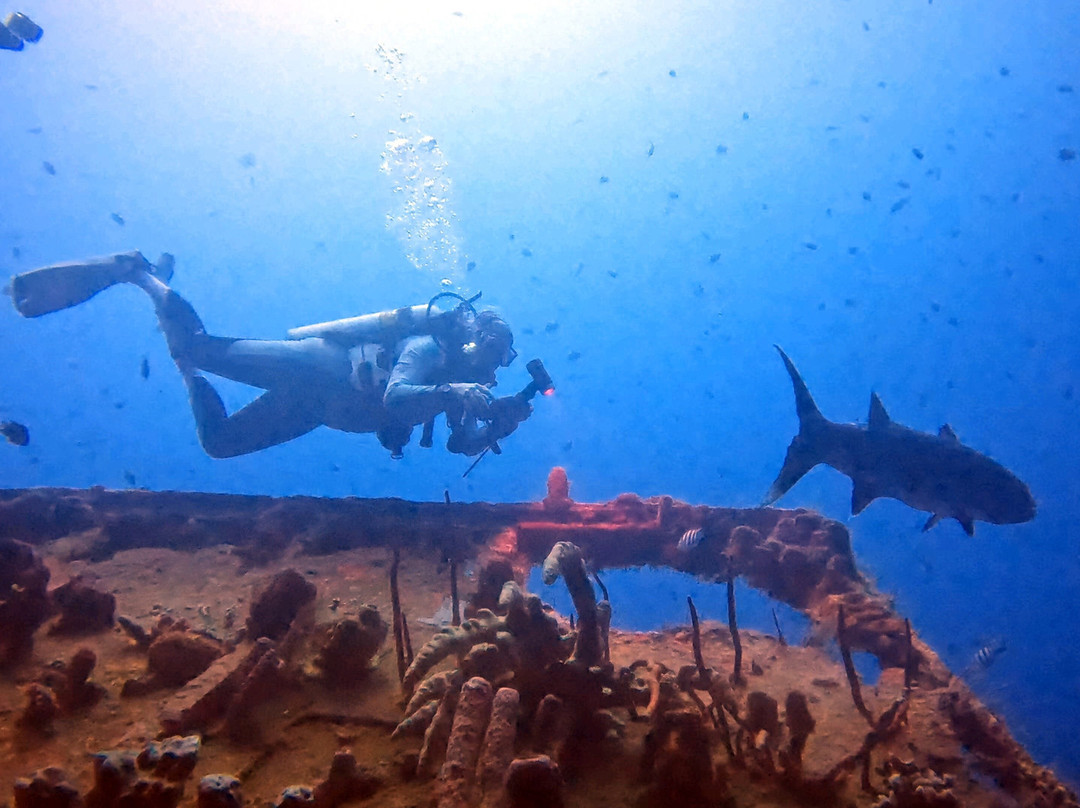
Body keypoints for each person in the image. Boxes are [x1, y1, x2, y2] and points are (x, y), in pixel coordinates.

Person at [9, 251, 531, 458]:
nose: (492, 365)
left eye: (501, 359)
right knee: (198, 343)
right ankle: (137, 273)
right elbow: (396, 398)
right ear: (471, 336)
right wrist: (453, 389)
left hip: (320, 410)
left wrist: (497, 428)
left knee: (219, 443)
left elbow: (458, 446)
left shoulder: (466, 388)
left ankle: (186, 370)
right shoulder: (427, 348)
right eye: (491, 350)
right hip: (323, 369)